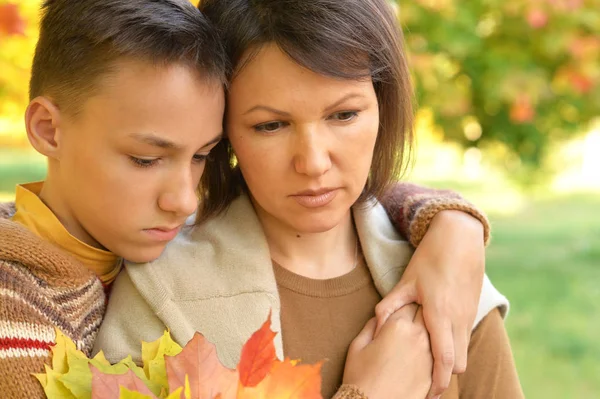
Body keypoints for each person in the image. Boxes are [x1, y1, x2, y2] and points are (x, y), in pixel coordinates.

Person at [0, 1, 492, 398]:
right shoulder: (14, 323)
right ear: (48, 130)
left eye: (201, 156)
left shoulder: (118, 241)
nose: (185, 201)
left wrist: (452, 223)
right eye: (147, 159)